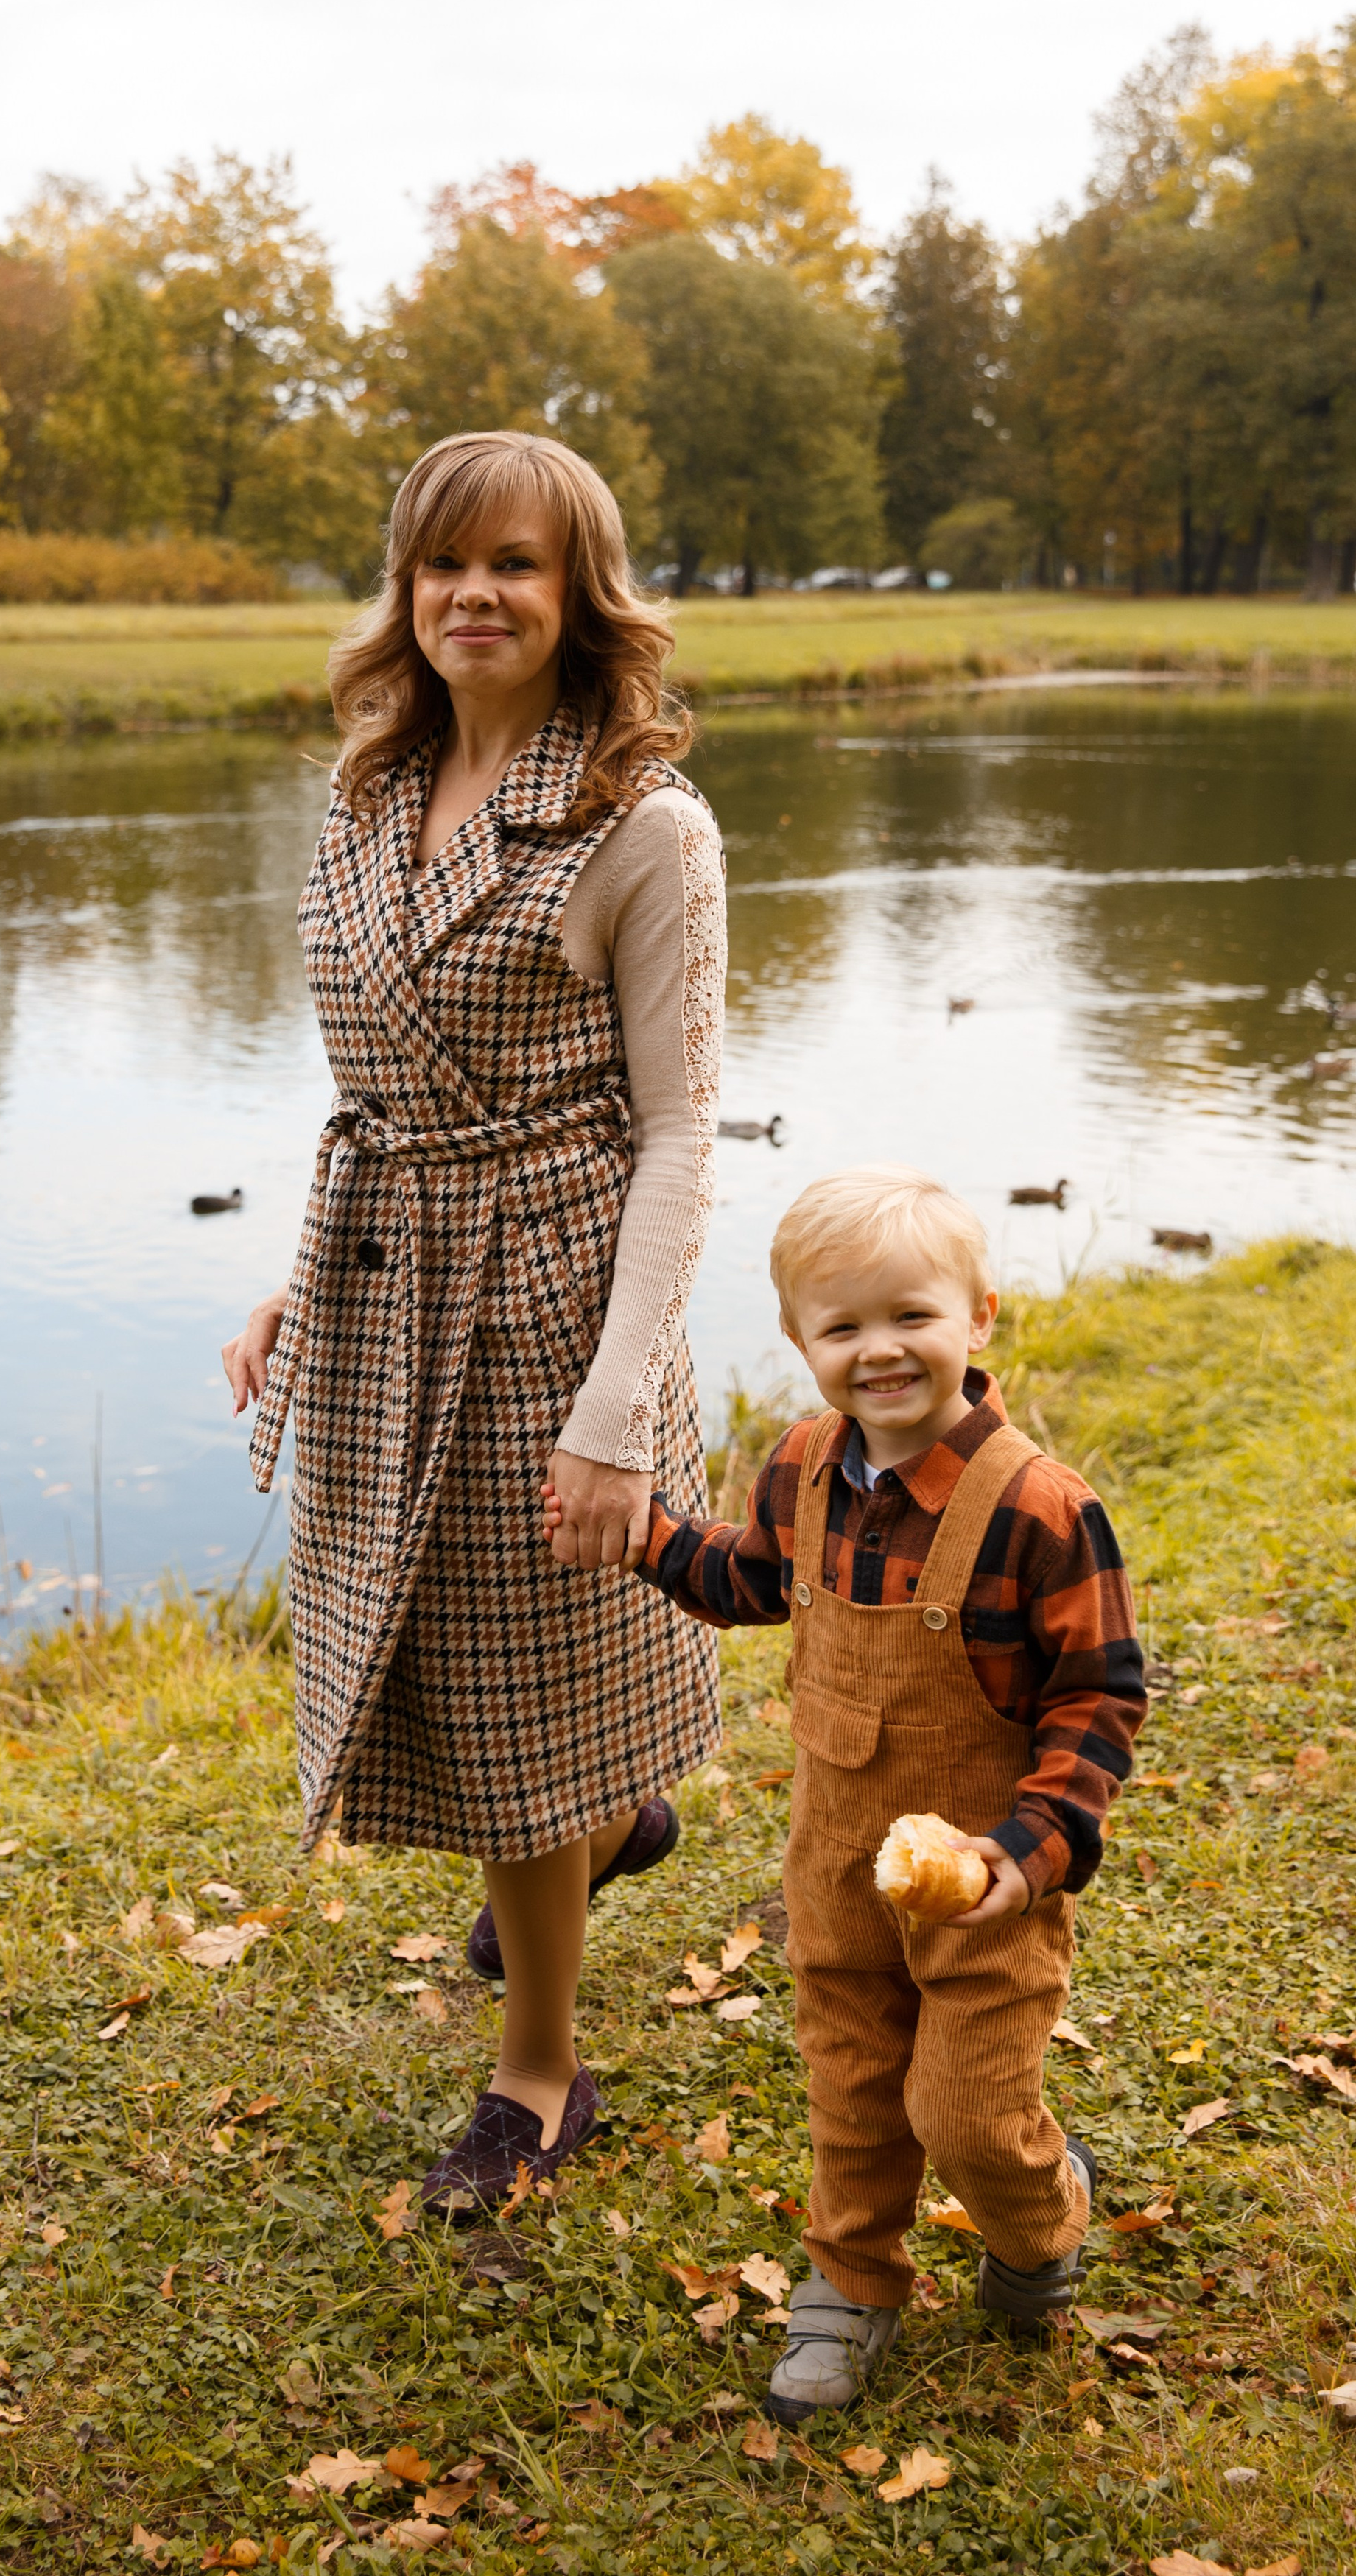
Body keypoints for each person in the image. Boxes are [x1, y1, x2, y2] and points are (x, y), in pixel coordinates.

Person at [222, 430, 727, 2211]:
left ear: (580, 593)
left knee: (526, 1691)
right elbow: (382, 1086)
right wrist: (305, 1280)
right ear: (403, 590)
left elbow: (678, 1134)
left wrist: (610, 1407)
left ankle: (537, 2074)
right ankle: (618, 1821)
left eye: (513, 563)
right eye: (442, 564)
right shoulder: (366, 792)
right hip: (384, 1275)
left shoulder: (640, 823)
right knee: (457, 1664)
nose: (472, 596)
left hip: (551, 1296)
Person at [565, 1164, 1145, 2417]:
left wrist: (1026, 1852)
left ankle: (1041, 2210)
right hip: (837, 1866)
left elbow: (1099, 1700)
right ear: (800, 1341)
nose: (880, 1351)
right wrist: (649, 1537)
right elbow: (753, 1582)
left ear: (979, 1316)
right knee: (852, 2076)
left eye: (912, 1317)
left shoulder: (1042, 1509)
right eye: (844, 1328)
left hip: (984, 1881)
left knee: (966, 2112)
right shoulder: (805, 1469)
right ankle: (852, 2283)